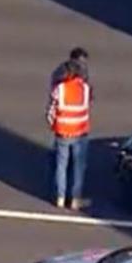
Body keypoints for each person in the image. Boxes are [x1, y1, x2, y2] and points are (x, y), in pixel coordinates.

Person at [49, 59, 92, 211]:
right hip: (80, 131)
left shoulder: (60, 89)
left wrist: (53, 125)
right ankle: (75, 199)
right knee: (78, 167)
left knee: (61, 166)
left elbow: (52, 111)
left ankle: (60, 198)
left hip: (63, 132)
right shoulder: (85, 88)